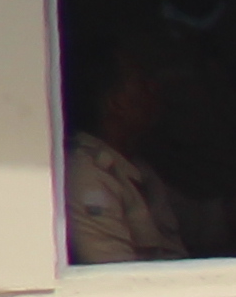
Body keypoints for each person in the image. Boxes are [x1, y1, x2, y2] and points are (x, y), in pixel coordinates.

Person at [62, 20, 191, 266]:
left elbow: (205, 225)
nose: (154, 89)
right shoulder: (88, 176)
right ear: (115, 103)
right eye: (141, 82)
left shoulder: (137, 169)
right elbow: (115, 282)